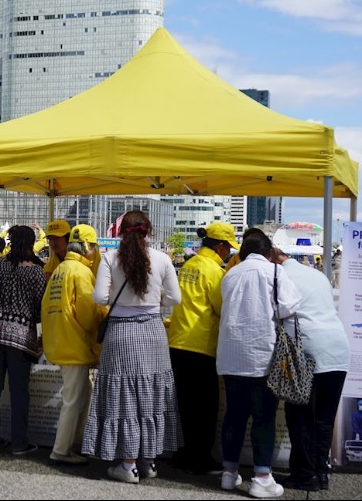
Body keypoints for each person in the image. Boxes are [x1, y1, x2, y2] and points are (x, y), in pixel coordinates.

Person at [82, 210, 182, 484]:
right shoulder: (162, 259)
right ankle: (148, 461)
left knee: (124, 396)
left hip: (122, 332)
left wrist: (122, 299)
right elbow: (176, 298)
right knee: (151, 393)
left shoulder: (110, 258)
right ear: (148, 231)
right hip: (153, 331)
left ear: (119, 231)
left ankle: (128, 464)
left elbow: (99, 297)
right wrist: (154, 300)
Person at [217, 231, 300, 498]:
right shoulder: (275, 272)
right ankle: (262, 478)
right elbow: (289, 308)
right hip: (262, 355)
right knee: (263, 417)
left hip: (231, 356)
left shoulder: (231, 274)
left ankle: (229, 473)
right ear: (268, 252)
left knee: (234, 415)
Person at [274, 248, 350, 492]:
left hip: (306, 351)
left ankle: (304, 474)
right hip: (338, 349)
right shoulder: (317, 275)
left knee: (299, 415)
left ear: (273, 259)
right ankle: (321, 472)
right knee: (324, 418)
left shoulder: (279, 275)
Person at [168, 222, 239, 475]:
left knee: (185, 405)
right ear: (220, 246)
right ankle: (200, 459)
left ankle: (185, 453)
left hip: (177, 342)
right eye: (228, 248)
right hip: (201, 345)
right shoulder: (214, 272)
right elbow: (222, 308)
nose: (229, 252)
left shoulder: (188, 265)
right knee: (206, 407)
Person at [0, 225, 47, 456]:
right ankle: (19, 442)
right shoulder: (36, 272)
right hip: (20, 336)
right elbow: (40, 307)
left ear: (9, 241)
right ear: (31, 244)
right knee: (19, 390)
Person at [41, 226, 105, 465]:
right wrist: (104, 313)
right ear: (87, 246)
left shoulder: (61, 269)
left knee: (82, 395)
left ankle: (74, 443)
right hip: (74, 344)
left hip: (61, 341)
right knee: (72, 400)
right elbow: (88, 315)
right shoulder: (81, 272)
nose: (95, 251)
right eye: (94, 246)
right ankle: (61, 451)